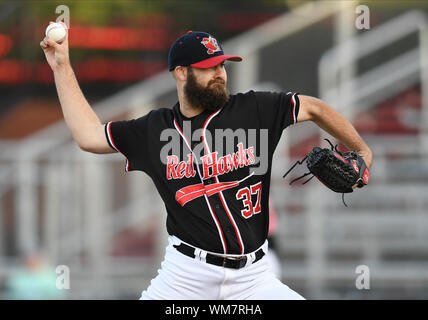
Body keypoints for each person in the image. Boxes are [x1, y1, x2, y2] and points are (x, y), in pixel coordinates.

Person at [40, 25, 373, 300]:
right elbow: (88, 135)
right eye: (209, 67)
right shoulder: (153, 129)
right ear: (182, 72)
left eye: (222, 65)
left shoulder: (255, 110)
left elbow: (313, 107)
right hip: (186, 277)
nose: (220, 73)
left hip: (254, 278)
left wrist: (362, 150)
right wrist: (62, 67)